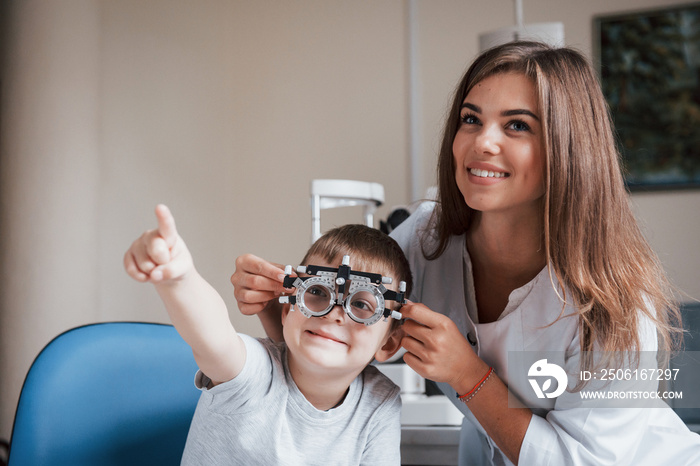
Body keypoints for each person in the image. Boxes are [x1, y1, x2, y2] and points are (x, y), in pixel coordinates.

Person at [231, 41, 700, 465]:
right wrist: (281, 311)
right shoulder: (424, 239)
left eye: (517, 125)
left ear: (569, 150)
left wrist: (469, 375)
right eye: (471, 119)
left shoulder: (617, 307)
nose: (482, 142)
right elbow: (346, 340)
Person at [124, 205, 411, 465]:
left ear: (388, 343)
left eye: (361, 305)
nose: (334, 313)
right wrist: (180, 279)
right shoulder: (255, 373)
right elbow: (213, 338)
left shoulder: (379, 402)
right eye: (317, 292)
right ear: (286, 311)